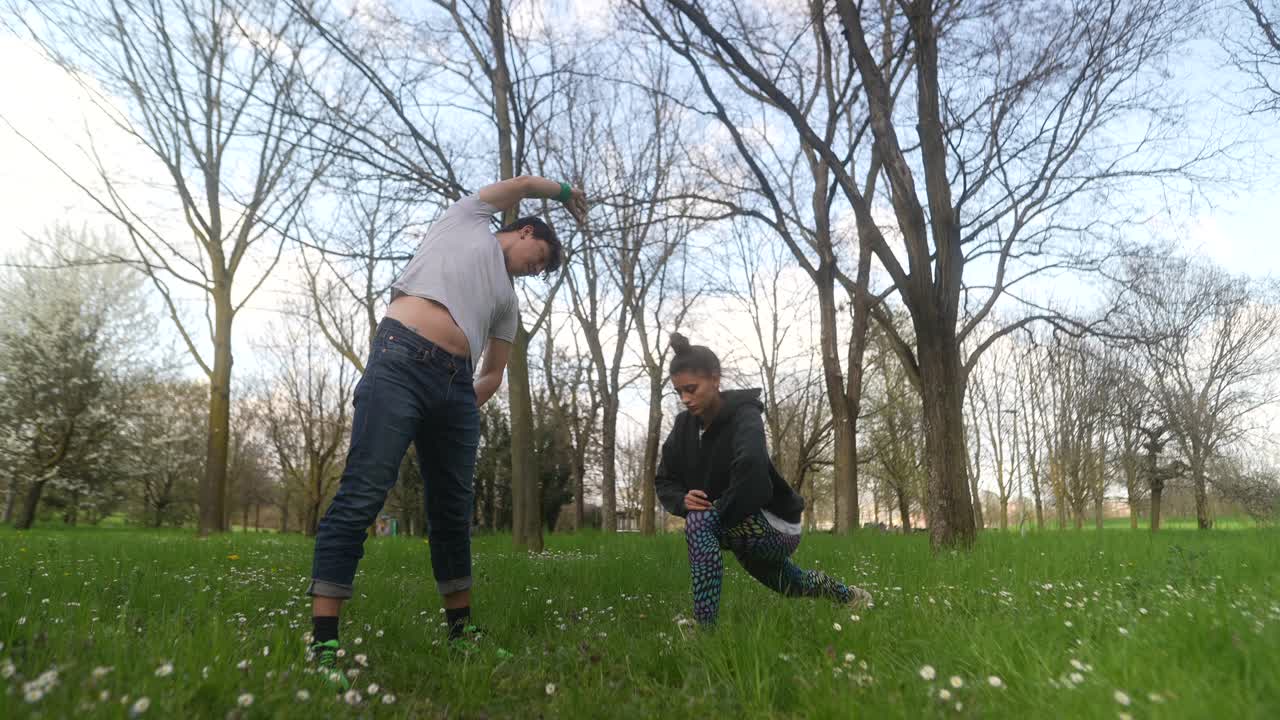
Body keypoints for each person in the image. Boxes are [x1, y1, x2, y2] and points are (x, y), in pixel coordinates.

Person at [306, 176, 587, 685]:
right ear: (524, 231)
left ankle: (461, 635)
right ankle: (324, 645)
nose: (537, 268)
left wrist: (459, 406)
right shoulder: (468, 221)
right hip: (400, 361)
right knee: (364, 493)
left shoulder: (508, 303)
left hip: (456, 389)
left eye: (544, 268)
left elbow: (494, 372)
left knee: (453, 513)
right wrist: (566, 195)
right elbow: (522, 183)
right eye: (540, 256)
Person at [655, 333, 872, 626]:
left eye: (691, 389)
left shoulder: (744, 415)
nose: (685, 399)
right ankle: (851, 597)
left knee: (699, 521)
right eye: (679, 392)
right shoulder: (683, 427)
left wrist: (716, 514)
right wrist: (681, 500)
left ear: (715, 380)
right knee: (791, 584)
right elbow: (665, 478)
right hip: (737, 524)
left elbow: (752, 469)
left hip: (775, 524)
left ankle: (703, 629)